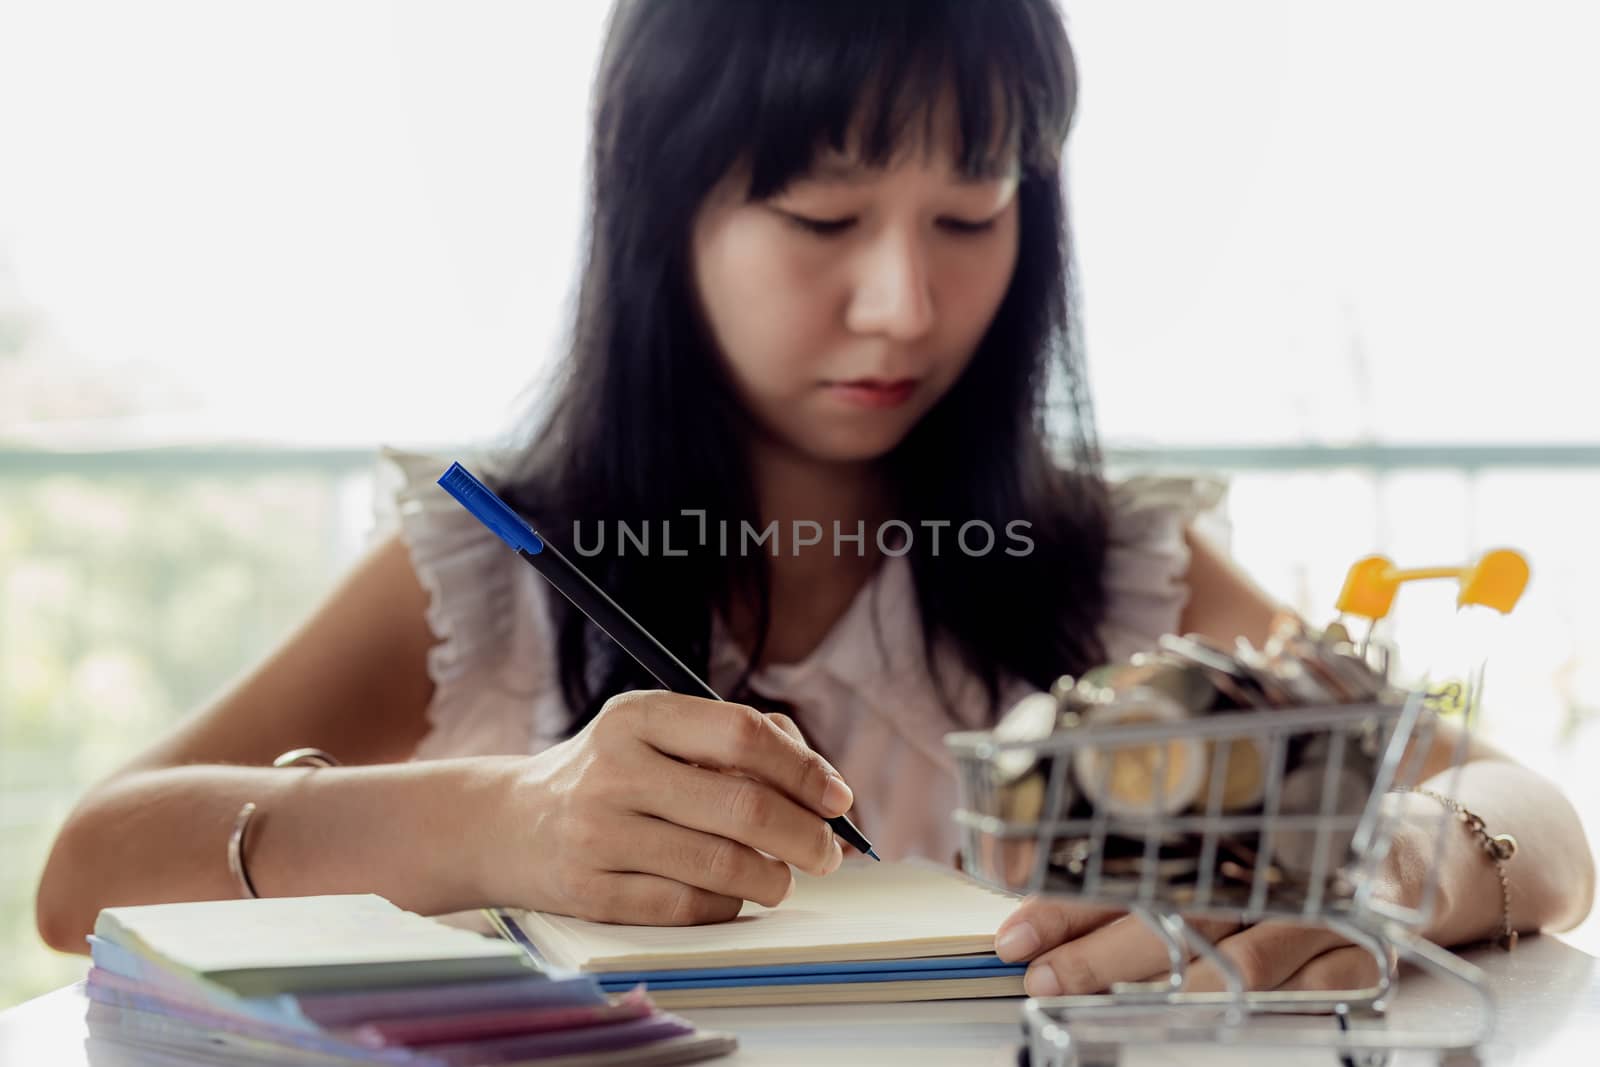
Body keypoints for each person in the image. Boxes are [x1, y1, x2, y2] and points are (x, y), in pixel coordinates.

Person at [36, 0, 1593, 1000]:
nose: (906, 305)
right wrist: (494, 821)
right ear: (662, 211)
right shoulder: (490, 572)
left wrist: (1376, 871)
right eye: (823, 214)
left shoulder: (1112, 570)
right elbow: (82, 873)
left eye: (971, 214)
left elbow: (1539, 822)